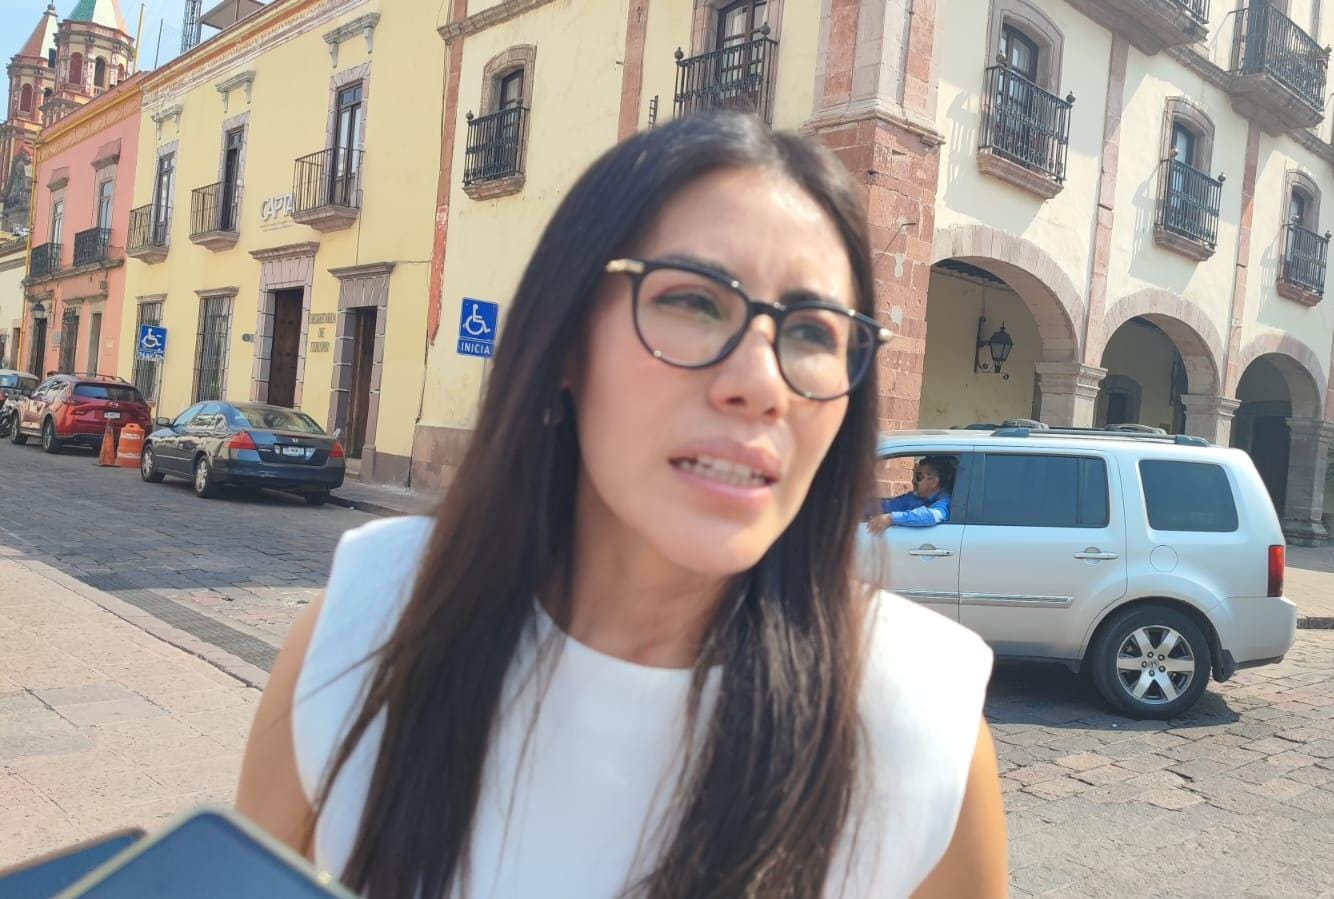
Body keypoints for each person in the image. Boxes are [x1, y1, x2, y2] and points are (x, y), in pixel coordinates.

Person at [234, 113, 1006, 899]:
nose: (761, 383)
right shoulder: (366, 628)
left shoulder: (921, 728)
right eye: (694, 301)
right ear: (567, 340)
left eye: (813, 331)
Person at [868, 455, 956, 532]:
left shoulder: (945, 500)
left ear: (933, 482)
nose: (913, 481)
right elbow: (889, 506)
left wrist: (891, 518)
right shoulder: (914, 497)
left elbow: (932, 516)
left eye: (918, 476)